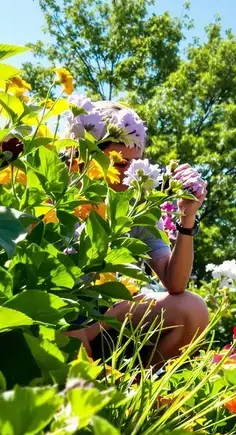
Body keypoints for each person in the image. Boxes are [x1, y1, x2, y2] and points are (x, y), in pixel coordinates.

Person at [62, 100, 209, 366]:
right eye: (120, 164)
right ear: (87, 154)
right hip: (57, 314)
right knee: (69, 334)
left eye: (135, 163)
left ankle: (146, 392)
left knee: (191, 309)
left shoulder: (134, 207)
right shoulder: (56, 194)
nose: (130, 174)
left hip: (106, 317)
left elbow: (175, 283)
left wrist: (187, 217)